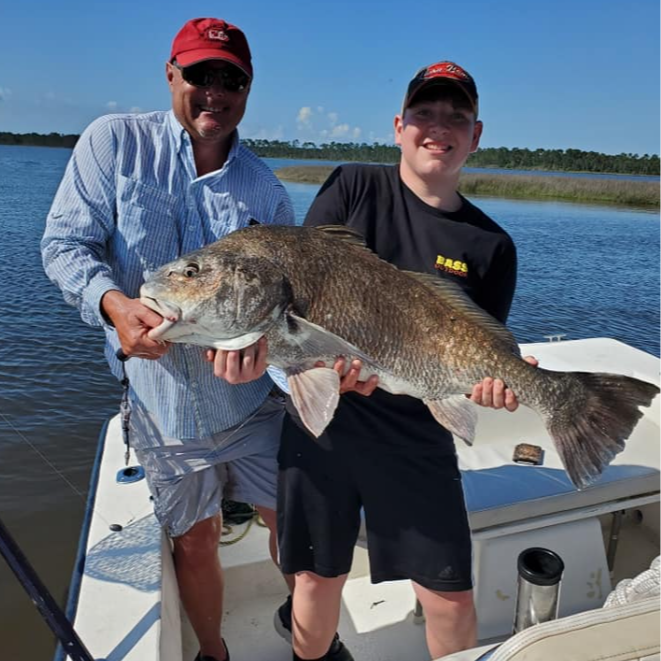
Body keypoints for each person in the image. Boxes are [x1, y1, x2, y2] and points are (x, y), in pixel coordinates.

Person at [41, 17, 295, 661]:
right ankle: (214, 652)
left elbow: (287, 303)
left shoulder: (265, 189)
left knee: (290, 520)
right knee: (196, 539)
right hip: (161, 405)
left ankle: (307, 637)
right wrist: (114, 304)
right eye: (201, 74)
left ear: (248, 88)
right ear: (170, 74)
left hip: (250, 400)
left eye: (231, 78)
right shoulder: (114, 143)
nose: (215, 90)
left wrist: (270, 348)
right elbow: (65, 244)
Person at [276, 61, 536, 661]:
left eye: (456, 117)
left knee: (451, 600)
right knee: (316, 580)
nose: (437, 128)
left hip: (417, 434)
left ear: (476, 135)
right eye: (424, 113)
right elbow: (304, 285)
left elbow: (484, 350)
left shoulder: (491, 245)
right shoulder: (353, 187)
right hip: (326, 426)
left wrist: (491, 384)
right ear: (399, 126)